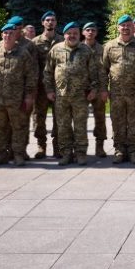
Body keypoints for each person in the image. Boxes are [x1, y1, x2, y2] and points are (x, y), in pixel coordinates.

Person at [46, 21, 100, 165]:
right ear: (64, 35)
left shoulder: (86, 50)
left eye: (75, 33)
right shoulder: (56, 49)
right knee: (63, 126)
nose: (72, 36)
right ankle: (66, 154)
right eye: (69, 33)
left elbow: (94, 72)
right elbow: (48, 72)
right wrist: (49, 90)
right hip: (60, 96)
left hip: (80, 96)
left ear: (79, 34)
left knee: (80, 126)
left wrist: (94, 89)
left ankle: (81, 153)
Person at [100, 14, 135, 164]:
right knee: (118, 122)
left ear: (132, 27)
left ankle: (133, 151)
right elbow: (103, 69)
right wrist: (103, 89)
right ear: (118, 28)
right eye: (123, 25)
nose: (126, 28)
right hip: (116, 93)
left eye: (128, 25)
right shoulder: (109, 46)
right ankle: (119, 150)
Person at [0, 23, 37, 166]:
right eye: (5, 33)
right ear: (1, 35)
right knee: (0, 127)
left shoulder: (23, 54)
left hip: (17, 99)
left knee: (18, 127)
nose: (8, 36)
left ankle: (18, 154)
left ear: (15, 35)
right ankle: (1, 154)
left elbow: (30, 76)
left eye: (11, 33)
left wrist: (28, 96)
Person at [31, 11, 61, 158]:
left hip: (58, 86)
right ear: (43, 23)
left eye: (53, 20)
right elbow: (31, 67)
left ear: (56, 23)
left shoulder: (62, 41)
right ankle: (41, 146)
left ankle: (58, 146)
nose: (50, 22)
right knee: (39, 117)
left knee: (59, 117)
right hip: (40, 87)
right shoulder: (35, 42)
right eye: (47, 20)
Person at [82, 22, 107, 158]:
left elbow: (104, 71)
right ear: (83, 32)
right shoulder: (78, 48)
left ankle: (100, 146)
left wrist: (103, 90)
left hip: (98, 90)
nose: (90, 32)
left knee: (100, 119)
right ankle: (81, 148)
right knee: (80, 120)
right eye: (88, 30)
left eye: (93, 30)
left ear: (96, 33)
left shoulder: (102, 49)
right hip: (81, 90)